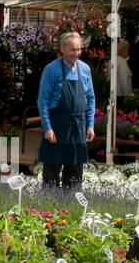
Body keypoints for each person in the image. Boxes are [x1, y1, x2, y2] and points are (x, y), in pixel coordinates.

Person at [37, 31, 95, 190]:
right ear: (62, 49)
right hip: (57, 125)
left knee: (75, 171)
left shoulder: (85, 69)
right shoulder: (51, 69)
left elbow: (90, 98)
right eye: (72, 50)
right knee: (51, 171)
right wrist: (47, 128)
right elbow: (42, 101)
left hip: (77, 126)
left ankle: (71, 205)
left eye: (79, 49)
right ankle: (49, 206)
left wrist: (90, 125)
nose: (76, 53)